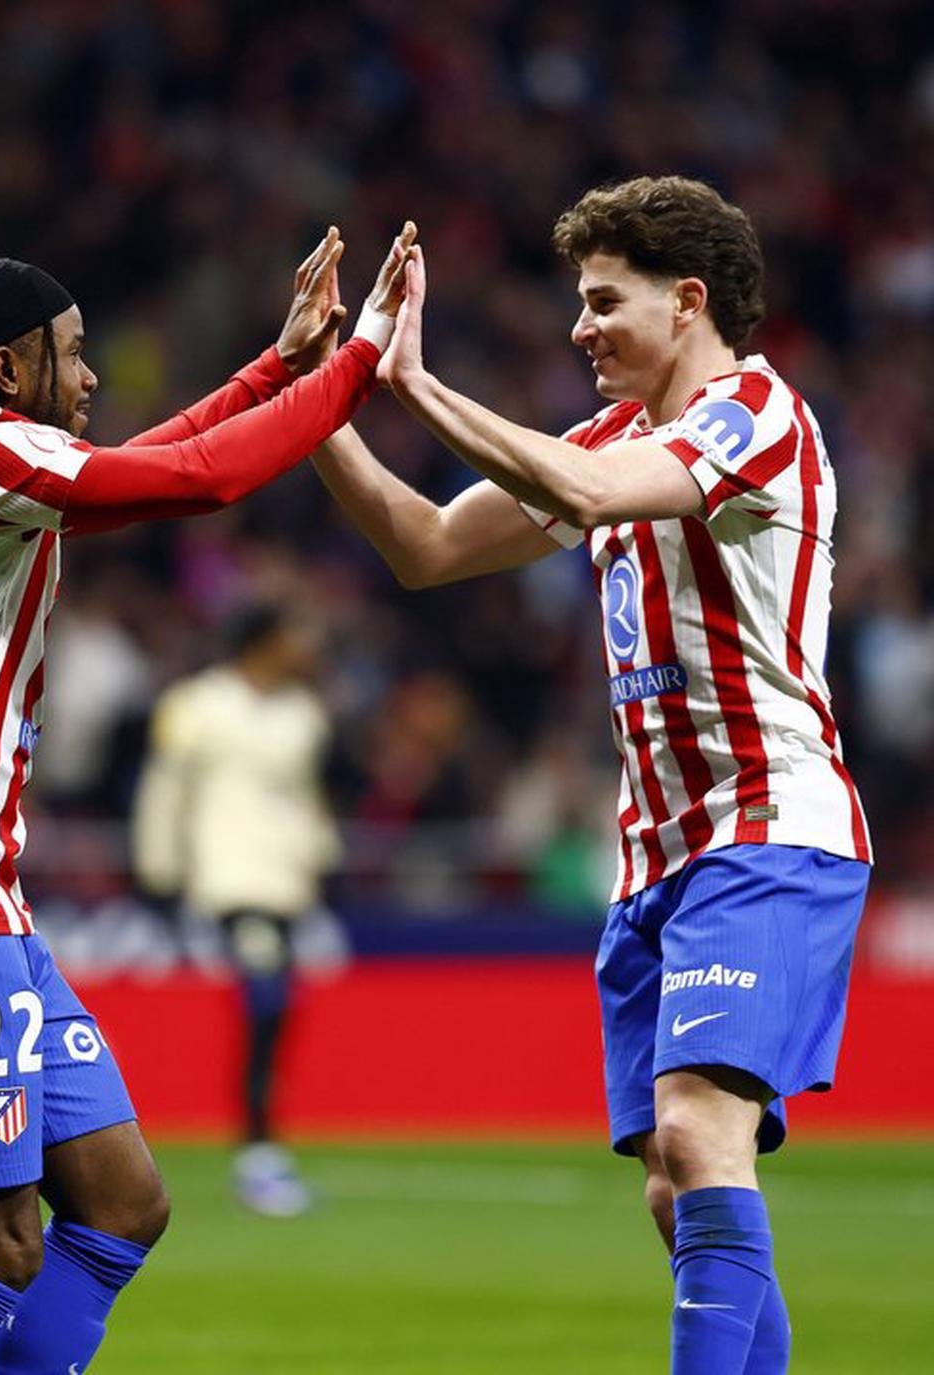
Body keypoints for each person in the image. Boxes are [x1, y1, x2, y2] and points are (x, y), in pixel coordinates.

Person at [0, 223, 416, 1375]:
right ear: (8, 368)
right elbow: (197, 479)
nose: (89, 378)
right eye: (72, 353)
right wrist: (363, 360)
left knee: (122, 1203)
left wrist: (276, 369)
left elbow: (146, 467)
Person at [313, 177, 871, 1374]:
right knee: (675, 1182)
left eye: (604, 301)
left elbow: (591, 496)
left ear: (688, 301)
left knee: (701, 1134)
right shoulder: (609, 439)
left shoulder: (756, 413)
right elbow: (424, 547)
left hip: (768, 826)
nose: (580, 328)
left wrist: (413, 381)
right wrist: (318, 402)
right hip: (654, 858)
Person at [134, 602, 339, 1216]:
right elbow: (165, 788)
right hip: (229, 877)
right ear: (263, 642)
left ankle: (262, 1150)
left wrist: (322, 854)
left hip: (286, 882)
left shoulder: (304, 715)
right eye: (294, 635)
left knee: (278, 1007)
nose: (306, 649)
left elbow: (306, 797)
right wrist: (159, 867)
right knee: (268, 1002)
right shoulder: (196, 705)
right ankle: (259, 1156)